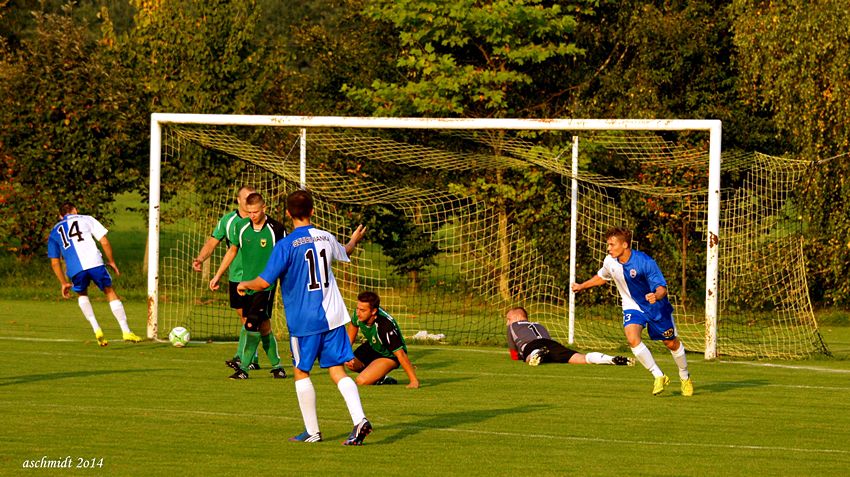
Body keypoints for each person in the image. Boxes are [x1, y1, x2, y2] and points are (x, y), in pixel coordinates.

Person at [239, 189, 371, 445]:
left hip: (305, 320)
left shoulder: (286, 245)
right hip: (333, 316)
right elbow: (345, 251)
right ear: (312, 211)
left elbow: (264, 281)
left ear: (288, 214)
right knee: (337, 370)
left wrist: (243, 283)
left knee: (301, 371)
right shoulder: (326, 237)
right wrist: (354, 240)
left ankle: (312, 431)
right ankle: (360, 420)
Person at [571, 227, 693, 397]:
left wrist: (655, 296)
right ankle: (658, 375)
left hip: (656, 307)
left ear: (625, 244)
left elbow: (662, 288)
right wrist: (581, 286)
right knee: (632, 338)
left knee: (671, 343)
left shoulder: (645, 262)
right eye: (608, 245)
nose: (609, 248)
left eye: (612, 245)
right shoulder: (610, 261)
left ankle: (684, 376)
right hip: (632, 306)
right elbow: (602, 277)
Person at [210, 192, 287, 379]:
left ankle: (243, 369)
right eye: (249, 212)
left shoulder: (276, 229)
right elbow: (232, 251)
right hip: (245, 284)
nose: (252, 215)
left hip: (266, 286)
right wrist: (218, 275)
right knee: (264, 327)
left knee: (251, 324)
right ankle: (278, 366)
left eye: (255, 211)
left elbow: (284, 257)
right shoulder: (241, 226)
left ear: (264, 208)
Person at [47, 202, 142, 346]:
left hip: (75, 269)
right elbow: (104, 241)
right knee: (109, 291)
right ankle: (126, 330)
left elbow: (55, 262)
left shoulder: (54, 232)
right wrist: (111, 261)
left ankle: (96, 329)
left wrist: (63, 283)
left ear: (61, 216)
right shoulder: (86, 219)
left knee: (82, 294)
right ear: (75, 210)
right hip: (95, 262)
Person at [193, 185, 260, 369]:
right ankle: (252, 358)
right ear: (239, 200)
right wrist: (200, 258)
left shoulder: (263, 223)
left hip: (257, 278)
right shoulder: (228, 221)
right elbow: (213, 242)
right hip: (236, 277)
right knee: (244, 318)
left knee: (251, 318)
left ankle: (243, 357)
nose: (249, 202)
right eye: (246, 198)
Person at [505, 307, 633, 366]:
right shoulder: (539, 325)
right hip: (551, 344)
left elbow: (514, 355)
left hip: (532, 345)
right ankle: (611, 359)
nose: (507, 322)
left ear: (516, 317)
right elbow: (546, 339)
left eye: (508, 319)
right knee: (580, 358)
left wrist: (524, 355)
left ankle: (536, 354)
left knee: (529, 356)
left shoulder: (512, 326)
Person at [346, 291, 420, 388]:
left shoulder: (385, 326)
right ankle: (379, 376)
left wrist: (414, 381)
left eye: (363, 310)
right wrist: (346, 353)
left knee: (361, 381)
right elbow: (352, 328)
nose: (358, 313)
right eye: (358, 308)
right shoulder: (358, 314)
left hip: (389, 354)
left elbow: (401, 354)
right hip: (374, 346)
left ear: (373, 311)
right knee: (348, 361)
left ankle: (377, 375)